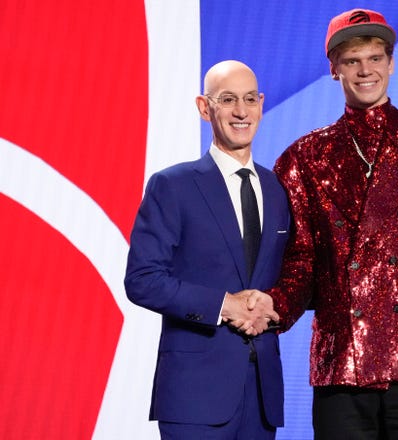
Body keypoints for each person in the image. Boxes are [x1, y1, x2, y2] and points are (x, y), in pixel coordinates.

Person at [268, 8, 398, 439]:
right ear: (334, 70)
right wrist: (269, 307)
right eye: (352, 60)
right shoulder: (302, 160)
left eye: (375, 57)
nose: (365, 70)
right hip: (341, 366)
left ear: (391, 63)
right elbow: (302, 264)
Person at [124, 60, 290, 439]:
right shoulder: (173, 185)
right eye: (227, 99)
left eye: (250, 99)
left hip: (262, 392)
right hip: (193, 394)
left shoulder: (278, 189)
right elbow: (142, 279)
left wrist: (271, 305)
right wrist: (224, 305)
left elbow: (289, 274)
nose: (241, 111)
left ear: (262, 104)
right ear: (204, 107)